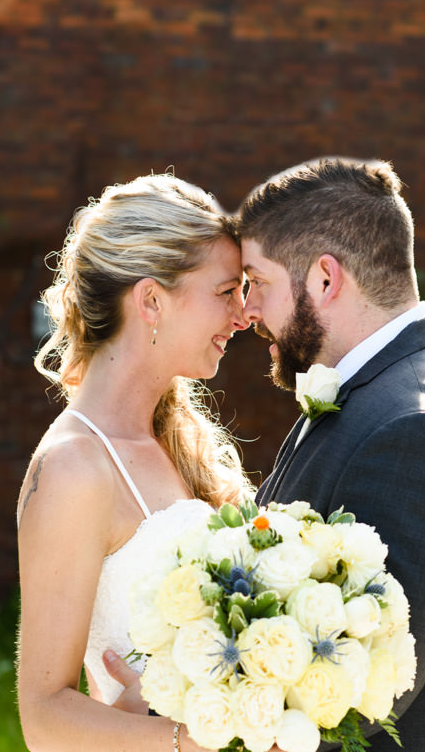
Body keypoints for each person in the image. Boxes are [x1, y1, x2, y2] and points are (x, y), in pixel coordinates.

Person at [236, 157, 425, 752]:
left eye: (259, 282)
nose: (248, 310)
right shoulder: (398, 391)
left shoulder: (415, 429)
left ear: (325, 279)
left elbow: (353, 696)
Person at [15, 173, 251, 752]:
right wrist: (190, 739)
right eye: (226, 292)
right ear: (150, 300)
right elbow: (43, 718)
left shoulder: (179, 442)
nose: (244, 315)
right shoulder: (74, 468)